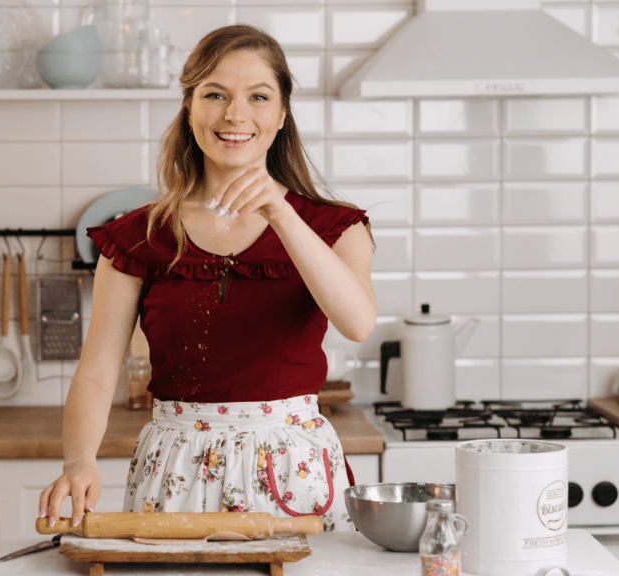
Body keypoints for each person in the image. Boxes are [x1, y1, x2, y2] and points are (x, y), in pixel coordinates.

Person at [39, 24, 376, 532]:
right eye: (214, 94)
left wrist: (280, 212)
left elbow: (357, 322)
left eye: (258, 97)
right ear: (190, 107)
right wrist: (78, 462)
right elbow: (97, 369)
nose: (235, 114)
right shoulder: (137, 237)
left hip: (294, 470)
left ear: (282, 113)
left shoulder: (335, 227)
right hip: (175, 468)